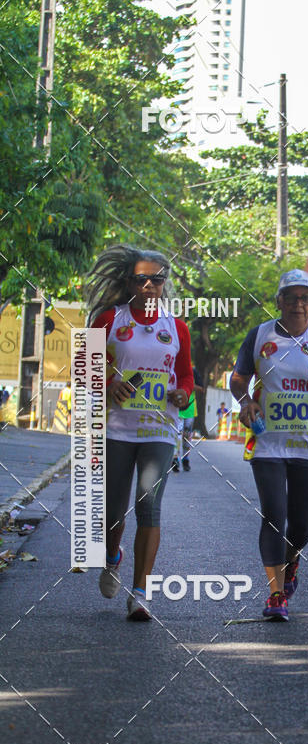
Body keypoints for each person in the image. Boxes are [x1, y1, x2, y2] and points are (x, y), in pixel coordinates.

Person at [230, 269, 308, 620]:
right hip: (268, 442)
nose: (299, 304)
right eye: (292, 297)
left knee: (302, 526)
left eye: (306, 297)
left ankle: (291, 561)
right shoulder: (260, 335)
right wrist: (246, 401)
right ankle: (276, 594)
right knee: (273, 516)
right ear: (278, 301)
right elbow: (239, 378)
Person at [86, 245, 193, 621]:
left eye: (157, 279)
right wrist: (109, 383)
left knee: (149, 503)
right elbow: (85, 368)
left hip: (160, 429)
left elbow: (185, 375)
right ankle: (112, 557)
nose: (149, 286)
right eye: (141, 279)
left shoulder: (176, 327)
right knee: (115, 511)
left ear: (164, 284)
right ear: (128, 282)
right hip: (118, 428)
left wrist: (183, 393)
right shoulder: (108, 320)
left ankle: (141, 592)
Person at [171, 366, 204, 472]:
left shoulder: (193, 371)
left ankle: (185, 459)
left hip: (189, 410)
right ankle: (175, 459)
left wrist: (189, 386)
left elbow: (201, 388)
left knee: (187, 436)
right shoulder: (172, 369)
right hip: (176, 409)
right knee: (177, 434)